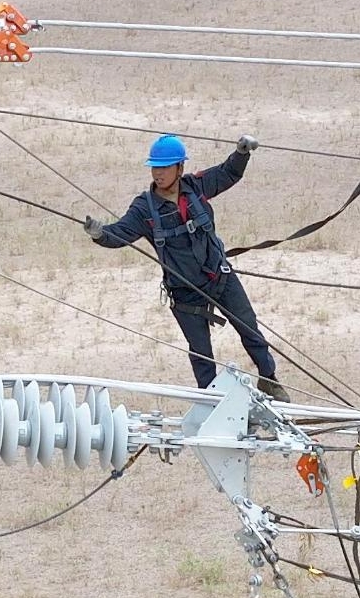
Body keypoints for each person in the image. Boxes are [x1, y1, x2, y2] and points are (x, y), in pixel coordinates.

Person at [83, 133, 290, 401]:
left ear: (179, 168)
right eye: (155, 167)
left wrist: (242, 153)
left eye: (164, 167)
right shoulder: (144, 209)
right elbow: (119, 234)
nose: (158, 173)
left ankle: (269, 380)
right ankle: (213, 401)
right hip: (185, 294)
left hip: (220, 276)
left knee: (249, 328)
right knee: (201, 353)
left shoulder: (196, 187)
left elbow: (228, 174)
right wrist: (99, 234)